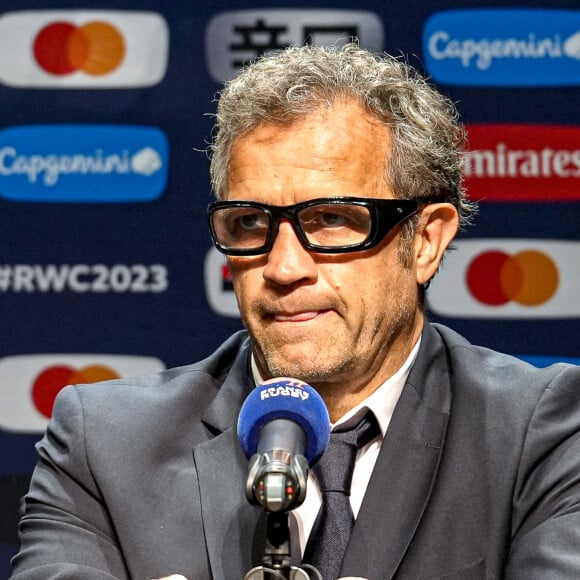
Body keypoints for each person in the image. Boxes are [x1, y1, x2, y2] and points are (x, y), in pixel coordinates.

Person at [10, 43, 580, 580]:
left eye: (332, 219)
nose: (283, 268)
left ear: (425, 241)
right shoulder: (105, 443)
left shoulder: (539, 435)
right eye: (250, 224)